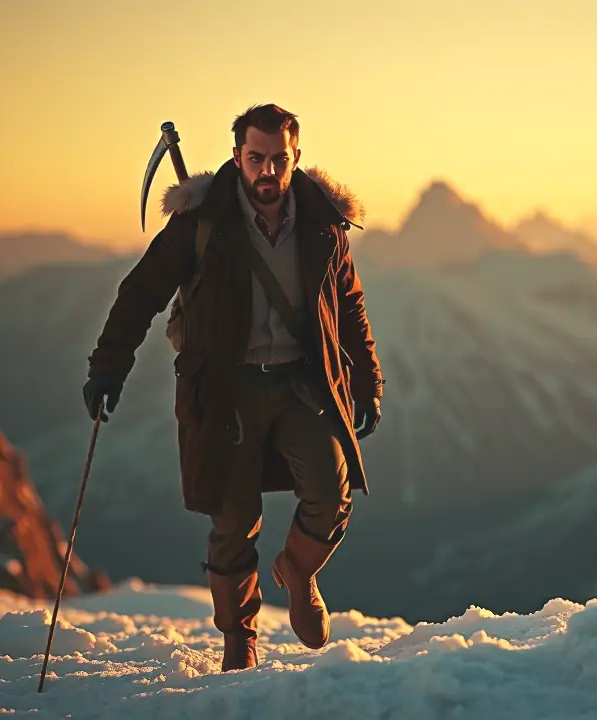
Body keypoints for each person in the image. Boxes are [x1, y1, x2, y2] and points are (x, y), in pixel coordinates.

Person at [82, 103, 384, 670]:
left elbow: (348, 306)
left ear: (295, 157)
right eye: (255, 159)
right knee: (232, 520)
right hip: (226, 388)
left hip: (303, 381)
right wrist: (107, 366)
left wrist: (368, 382)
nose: (266, 172)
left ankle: (297, 570)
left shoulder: (323, 224)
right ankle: (238, 638)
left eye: (278, 160)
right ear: (237, 156)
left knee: (332, 494)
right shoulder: (201, 223)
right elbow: (141, 292)